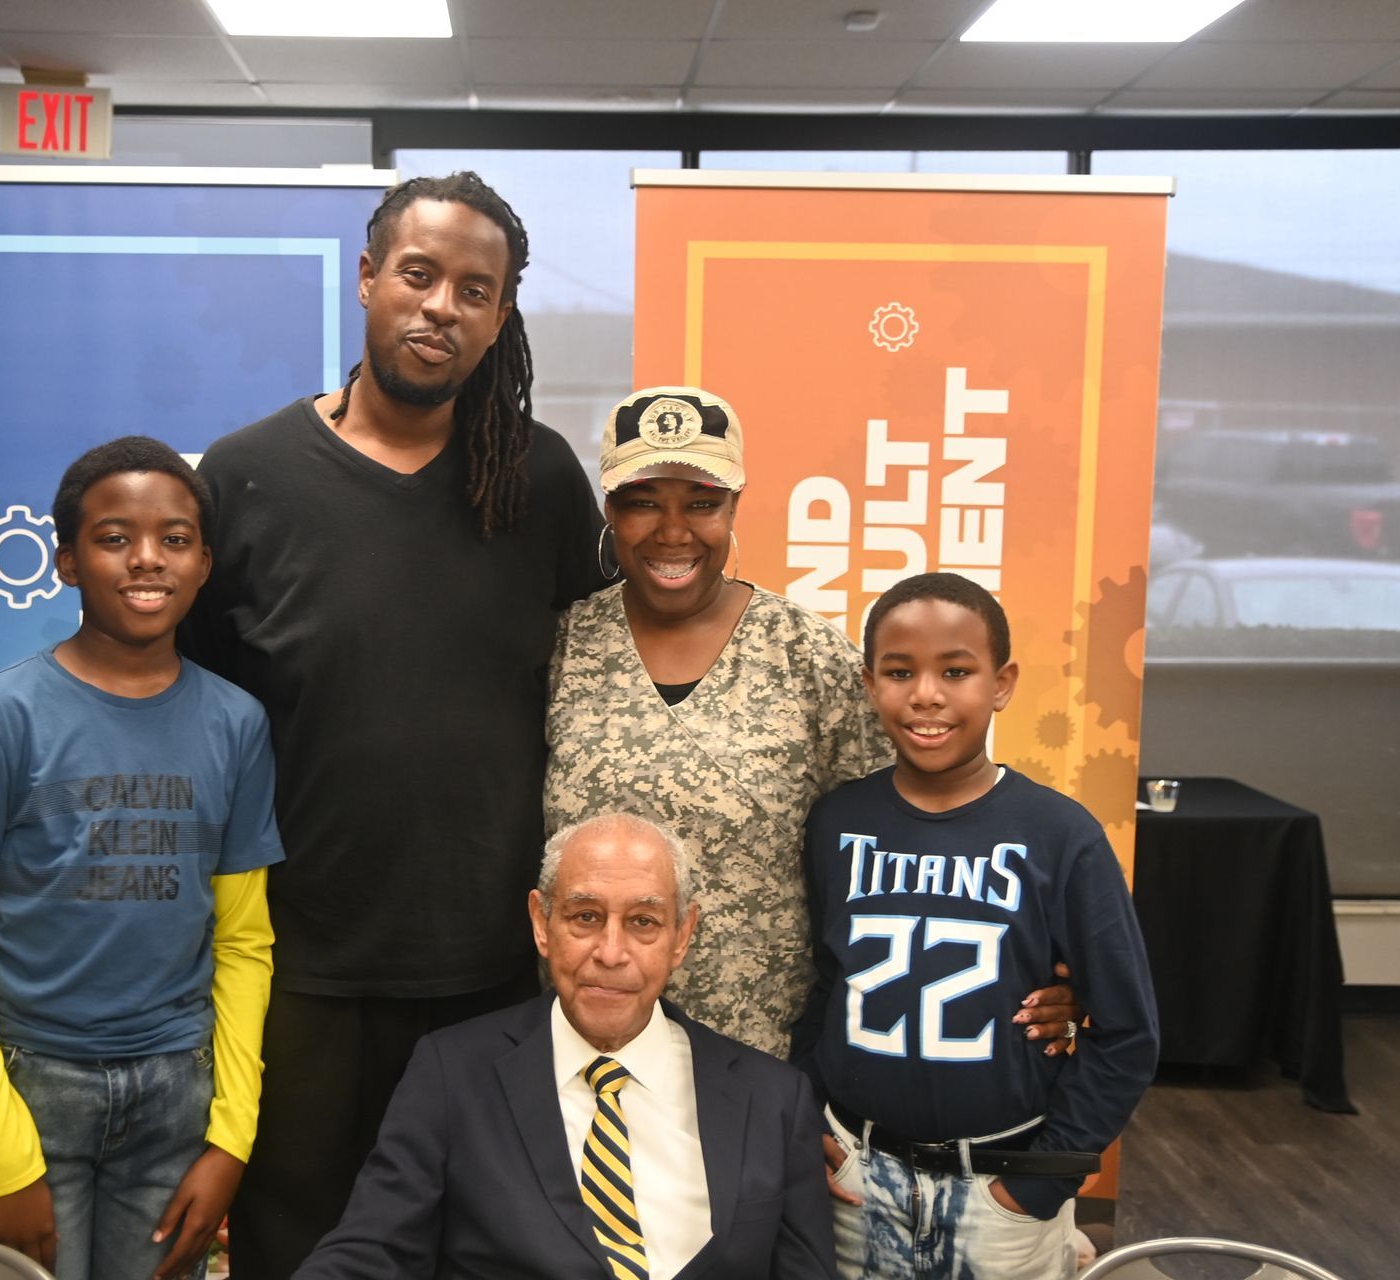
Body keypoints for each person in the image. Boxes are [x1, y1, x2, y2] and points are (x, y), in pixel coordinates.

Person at [0, 172, 606, 1278]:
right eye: (418, 274)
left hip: (490, 969)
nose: (441, 306)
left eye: (476, 289)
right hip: (298, 967)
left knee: (476, 1255)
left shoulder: (539, 478)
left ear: (501, 312)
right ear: (367, 278)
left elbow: (604, 681)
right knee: (299, 1255)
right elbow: (158, 696)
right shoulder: (247, 476)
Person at [545, 387, 1084, 1061]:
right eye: (644, 501)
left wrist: (1032, 964)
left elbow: (914, 832)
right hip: (587, 1043)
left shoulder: (808, 656)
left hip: (759, 1056)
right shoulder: (563, 644)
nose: (673, 531)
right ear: (609, 509)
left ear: (735, 507)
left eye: (703, 503)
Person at [0, 437, 285, 1280]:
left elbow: (244, 942)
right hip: (28, 1088)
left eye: (175, 538)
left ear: (204, 563)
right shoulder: (1, 717)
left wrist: (231, 1137)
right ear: (67, 562)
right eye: (114, 538)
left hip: (178, 1094)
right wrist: (3, 1154)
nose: (147, 558)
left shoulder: (237, 726)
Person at [794, 573, 1160, 1280]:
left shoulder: (1060, 834)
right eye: (900, 672)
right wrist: (808, 1117)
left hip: (1002, 1189)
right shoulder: (837, 822)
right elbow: (823, 984)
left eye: (956, 672)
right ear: (870, 685)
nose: (926, 695)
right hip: (855, 1181)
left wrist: (1042, 1181)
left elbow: (1128, 1031)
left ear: (1002, 684)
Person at [295, 812, 837, 1280]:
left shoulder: (774, 1099)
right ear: (542, 923)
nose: (611, 953)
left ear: (682, 935)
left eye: (643, 922)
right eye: (586, 917)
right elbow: (371, 1251)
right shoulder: (451, 1075)